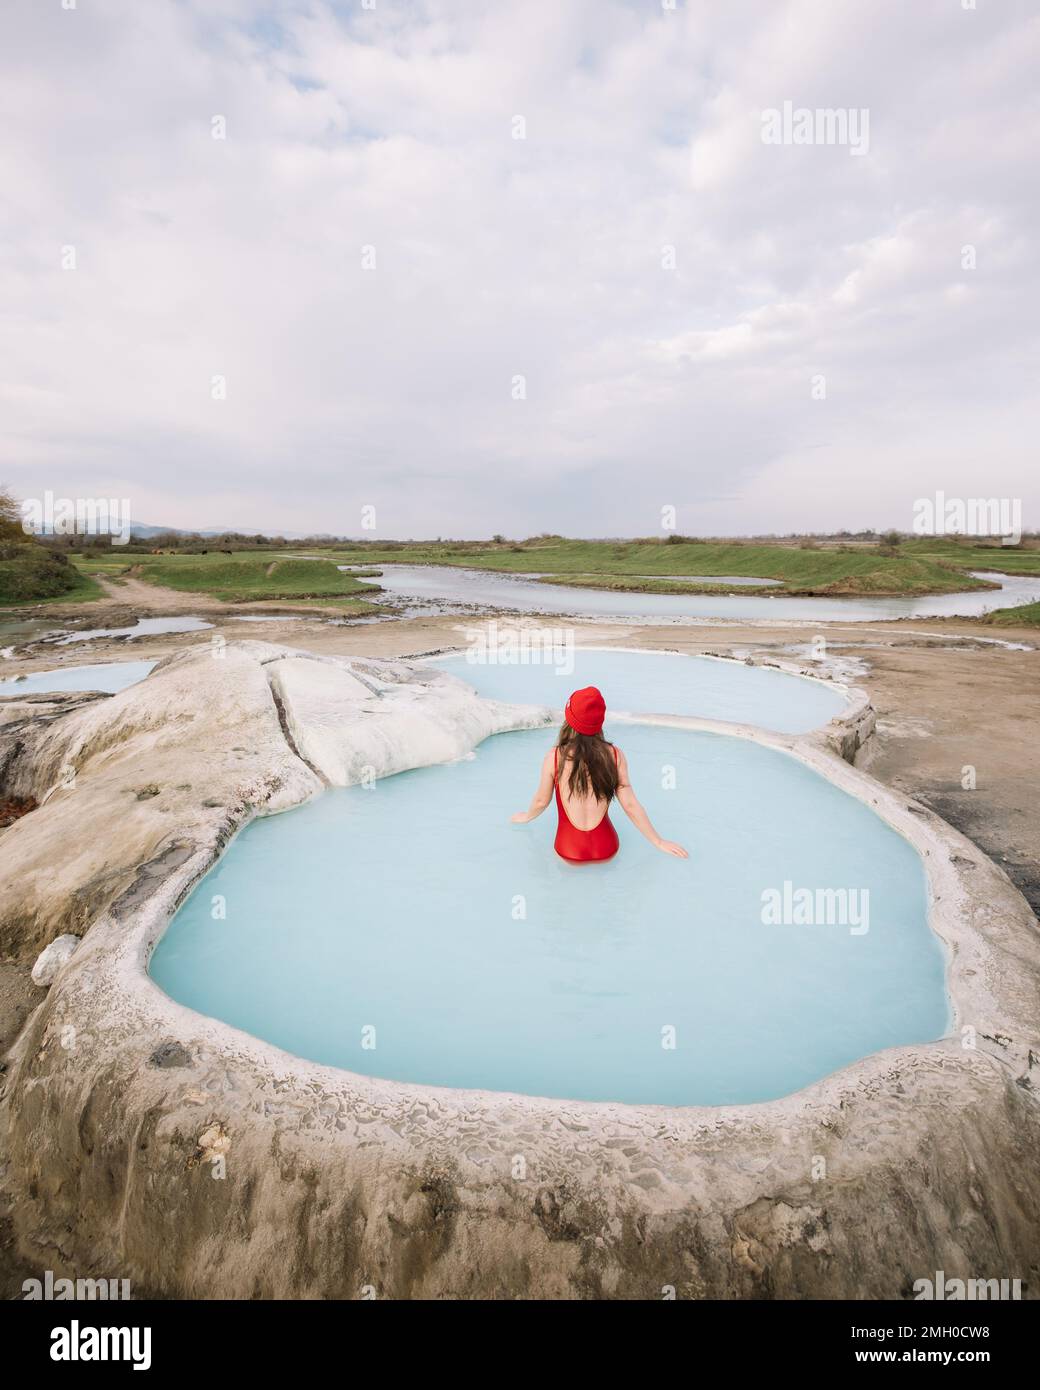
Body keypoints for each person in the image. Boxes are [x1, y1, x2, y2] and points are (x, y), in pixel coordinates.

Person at [511, 686, 689, 862]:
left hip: (569, 849)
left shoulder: (555, 757)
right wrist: (658, 841)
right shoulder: (615, 756)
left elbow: (542, 800)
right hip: (607, 846)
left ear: (569, 720)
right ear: (599, 722)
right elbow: (630, 805)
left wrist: (527, 816)